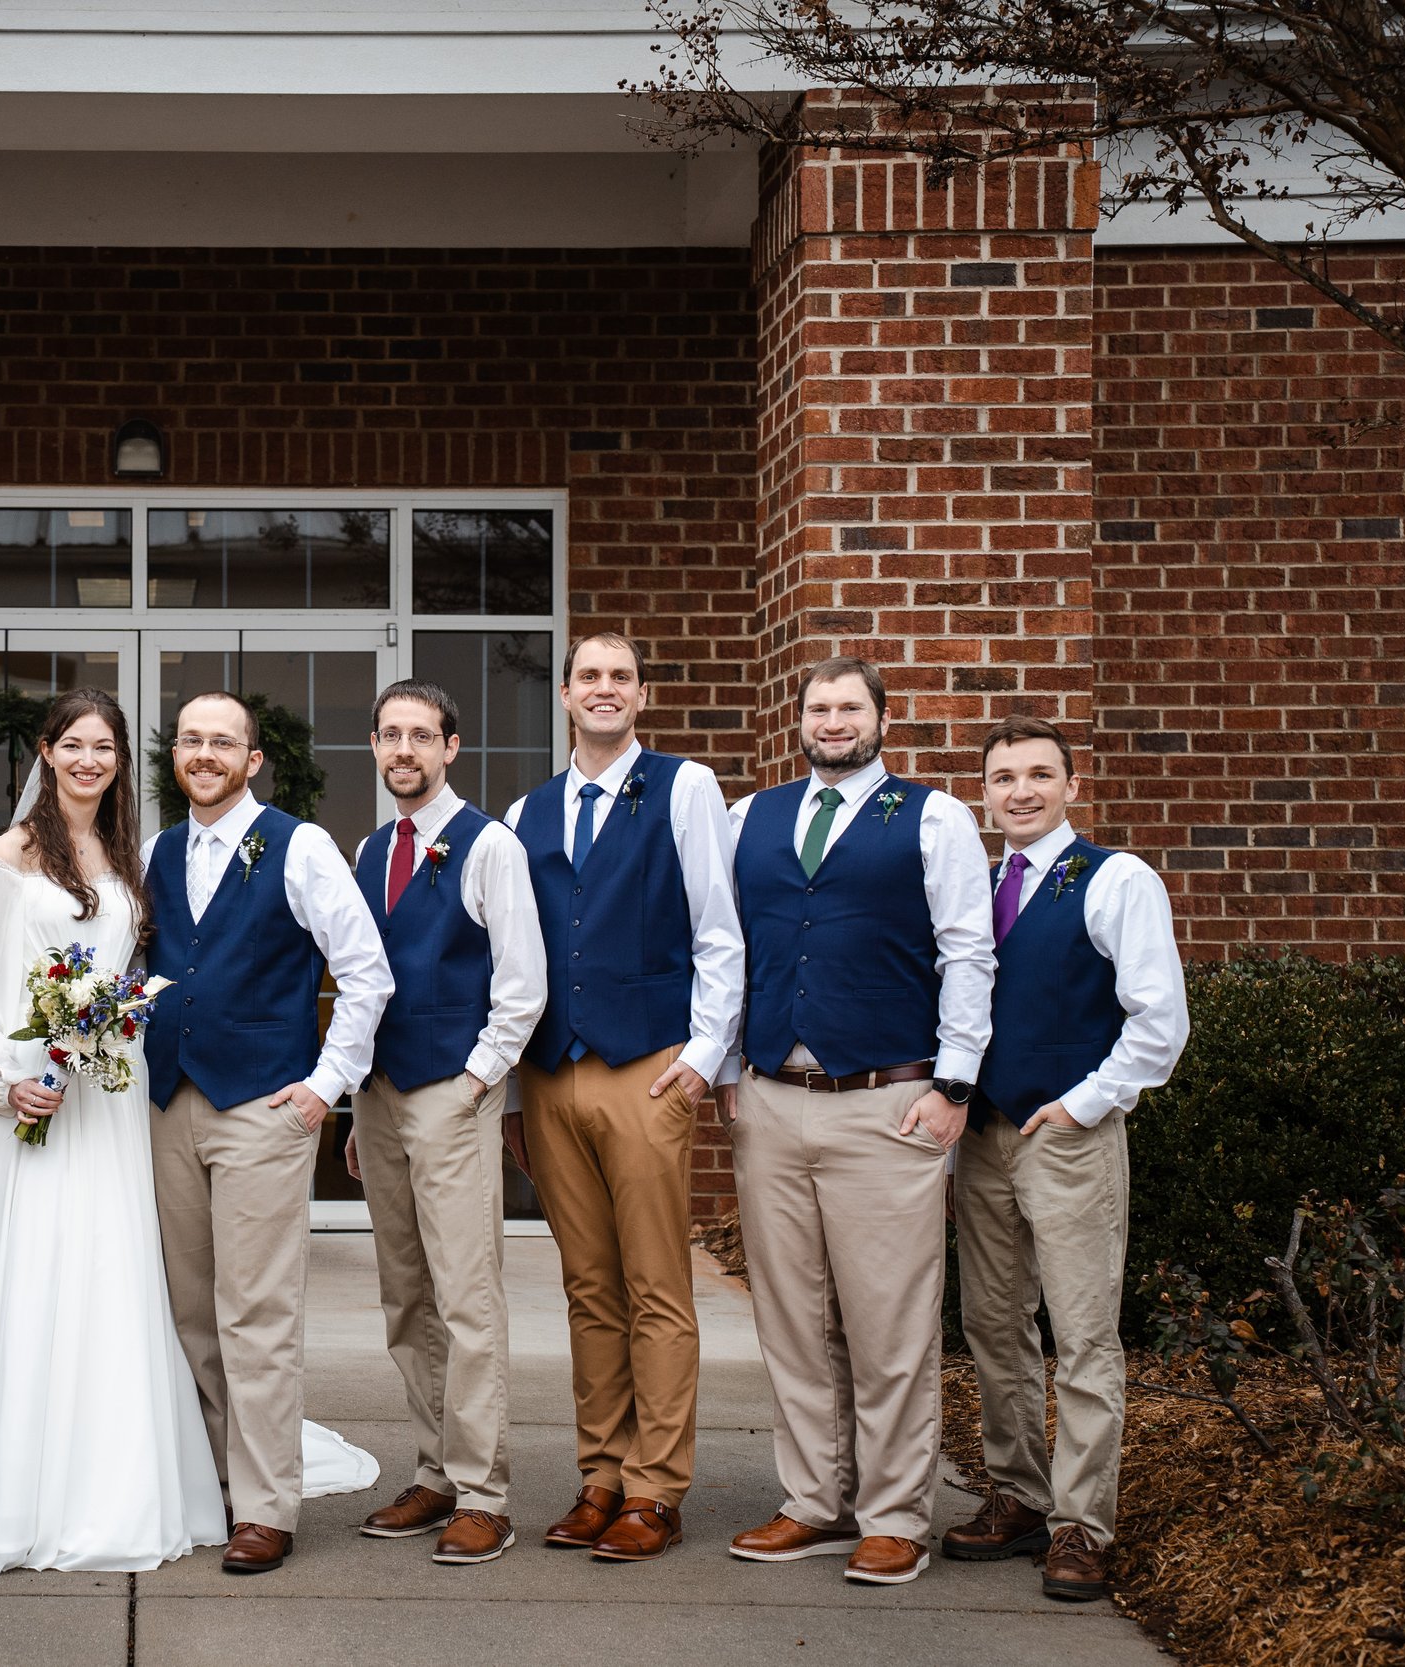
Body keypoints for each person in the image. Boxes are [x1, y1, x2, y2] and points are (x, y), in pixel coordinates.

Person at [0, 688, 227, 1573]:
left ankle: (115, 1483)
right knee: (35, 1273)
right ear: (46, 752)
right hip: (31, 1100)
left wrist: (98, 1036)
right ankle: (18, 1495)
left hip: (109, 1098)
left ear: (120, 761)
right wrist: (7, 1080)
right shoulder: (4, 858)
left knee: (110, 1272)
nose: (90, 760)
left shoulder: (127, 855)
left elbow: (128, 975)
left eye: (106, 747)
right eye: (75, 745)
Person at [717, 656, 996, 1587]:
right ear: (797, 720)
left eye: (849, 707)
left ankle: (895, 1515)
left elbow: (968, 953)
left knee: (889, 1323)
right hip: (772, 1097)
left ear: (881, 718)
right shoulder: (750, 819)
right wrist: (728, 1069)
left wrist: (954, 1084)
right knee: (793, 1320)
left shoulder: (933, 817)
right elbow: (726, 952)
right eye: (818, 708)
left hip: (889, 1100)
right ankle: (814, 1501)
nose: (832, 722)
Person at [502, 633, 744, 1565]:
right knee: (588, 1286)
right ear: (565, 694)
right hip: (549, 1070)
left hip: (648, 1063)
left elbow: (718, 931)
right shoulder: (527, 811)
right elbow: (517, 958)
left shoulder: (685, 787)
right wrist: (515, 1093)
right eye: (589, 676)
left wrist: (706, 1055)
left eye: (621, 677)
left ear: (640, 695)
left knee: (656, 1284)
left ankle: (655, 1488)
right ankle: (601, 1473)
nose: (605, 689)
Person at [140, 690, 395, 1575]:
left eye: (223, 741)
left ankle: (265, 1505)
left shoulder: (301, 845)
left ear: (252, 760)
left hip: (262, 1107)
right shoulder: (156, 852)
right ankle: (216, 1480)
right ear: (176, 755)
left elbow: (366, 972)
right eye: (191, 740)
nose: (205, 754)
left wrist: (326, 1086)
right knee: (191, 1313)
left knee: (257, 1313)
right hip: (169, 1106)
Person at [943, 716, 1187, 1602]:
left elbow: (1159, 1020)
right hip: (982, 1138)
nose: (1021, 791)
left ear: (1072, 786)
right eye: (1004, 777)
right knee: (994, 1325)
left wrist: (1084, 1102)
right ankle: (1018, 1494)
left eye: (1040, 774)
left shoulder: (1116, 879)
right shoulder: (976, 886)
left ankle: (1083, 1523)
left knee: (1083, 1334)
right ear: (984, 793)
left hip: (1068, 1136)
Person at [342, 679, 547, 1565]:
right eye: (390, 734)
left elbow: (523, 983)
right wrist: (362, 1107)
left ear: (450, 747)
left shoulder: (488, 844)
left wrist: (475, 1081)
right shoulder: (369, 848)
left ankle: (483, 1493)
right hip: (381, 1093)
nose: (404, 750)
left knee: (466, 1296)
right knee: (406, 1295)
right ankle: (433, 1471)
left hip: (451, 1090)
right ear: (375, 746)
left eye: (421, 735)